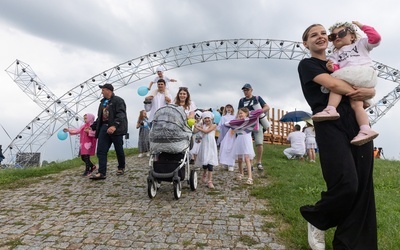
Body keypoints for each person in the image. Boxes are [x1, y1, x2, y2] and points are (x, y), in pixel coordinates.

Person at [298, 24, 377, 250]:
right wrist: (365, 90)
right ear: (306, 43)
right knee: (347, 183)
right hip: (329, 122)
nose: (321, 37)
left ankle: (351, 244)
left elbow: (367, 89)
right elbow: (333, 84)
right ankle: (317, 219)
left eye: (324, 34)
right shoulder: (308, 64)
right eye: (314, 35)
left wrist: (369, 92)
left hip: (357, 122)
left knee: (363, 188)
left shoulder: (343, 60)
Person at [312, 21, 380, 146]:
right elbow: (336, 68)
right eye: (333, 36)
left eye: (342, 33)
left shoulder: (361, 44)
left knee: (335, 83)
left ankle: (331, 109)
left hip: (363, 72)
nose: (337, 37)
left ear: (352, 36)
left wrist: (362, 27)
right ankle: (365, 129)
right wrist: (331, 67)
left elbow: (376, 38)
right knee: (357, 104)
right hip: (359, 80)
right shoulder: (335, 54)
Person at [90, 83, 128, 180]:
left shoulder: (118, 100)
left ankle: (121, 167)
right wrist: (92, 127)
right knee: (101, 151)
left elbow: (121, 114)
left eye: (103, 90)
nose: (101, 92)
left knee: (118, 149)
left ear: (109, 90)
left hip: (116, 129)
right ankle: (102, 173)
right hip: (104, 128)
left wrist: (114, 125)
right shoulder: (102, 102)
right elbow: (100, 117)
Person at [238, 83, 270, 171]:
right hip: (246, 124)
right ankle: (249, 164)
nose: (246, 92)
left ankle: (259, 162)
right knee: (248, 144)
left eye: (247, 90)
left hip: (257, 123)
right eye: (244, 90)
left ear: (251, 90)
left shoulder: (257, 98)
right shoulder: (241, 101)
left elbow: (267, 107)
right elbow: (239, 112)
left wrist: (258, 112)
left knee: (259, 143)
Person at [227, 108, 261, 185]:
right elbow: (232, 129)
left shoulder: (249, 121)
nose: (240, 115)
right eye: (239, 113)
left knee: (247, 158)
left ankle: (250, 177)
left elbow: (256, 126)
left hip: (246, 140)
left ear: (246, 113)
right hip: (239, 140)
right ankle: (241, 173)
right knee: (239, 159)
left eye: (241, 113)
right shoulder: (238, 122)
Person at [194, 111, 218, 189]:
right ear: (203, 119)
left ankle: (210, 180)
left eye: (208, 118)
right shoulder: (202, 125)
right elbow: (194, 131)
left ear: (211, 118)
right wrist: (196, 125)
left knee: (210, 162)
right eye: (205, 118)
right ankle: (204, 173)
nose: (207, 120)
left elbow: (207, 131)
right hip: (204, 145)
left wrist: (198, 127)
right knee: (205, 163)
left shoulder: (214, 125)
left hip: (211, 145)